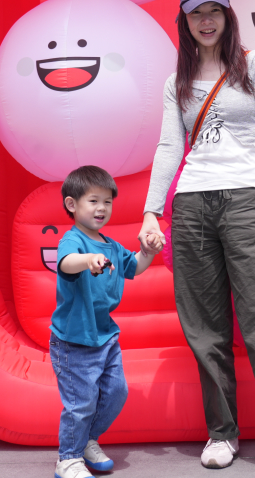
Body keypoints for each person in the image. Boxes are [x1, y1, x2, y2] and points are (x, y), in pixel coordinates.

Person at [138, 0, 255, 474]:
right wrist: (153, 209)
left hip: (246, 200)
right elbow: (169, 146)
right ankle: (222, 434)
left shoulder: (252, 64)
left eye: (213, 11)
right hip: (192, 204)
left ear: (227, 15)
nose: (206, 21)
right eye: (196, 13)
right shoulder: (175, 82)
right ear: (184, 20)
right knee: (205, 329)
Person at [52, 165, 162, 478]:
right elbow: (67, 263)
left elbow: (135, 266)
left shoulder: (111, 246)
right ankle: (68, 458)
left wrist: (148, 251)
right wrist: (87, 260)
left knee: (116, 392)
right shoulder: (72, 240)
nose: (101, 208)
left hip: (105, 336)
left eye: (107, 202)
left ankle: (87, 440)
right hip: (74, 339)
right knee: (81, 402)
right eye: (93, 201)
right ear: (72, 204)